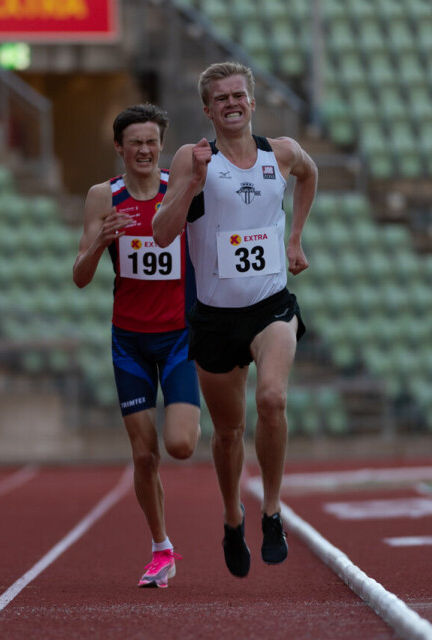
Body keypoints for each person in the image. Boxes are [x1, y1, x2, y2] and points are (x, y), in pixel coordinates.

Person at [153, 62, 317, 577]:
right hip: (215, 318)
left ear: (251, 101)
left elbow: (310, 174)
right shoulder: (192, 158)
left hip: (271, 306)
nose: (231, 103)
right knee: (228, 433)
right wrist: (192, 184)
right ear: (207, 109)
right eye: (220, 98)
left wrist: (294, 238)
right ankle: (232, 516)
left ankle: (272, 511)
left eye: (238, 95)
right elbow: (161, 233)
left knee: (271, 398)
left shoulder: (282, 153)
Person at [73, 103, 201, 588]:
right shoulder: (102, 196)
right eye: (135, 143)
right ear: (119, 148)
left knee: (181, 445)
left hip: (178, 339)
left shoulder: (182, 190)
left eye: (152, 141)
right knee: (145, 456)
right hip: (128, 342)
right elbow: (80, 278)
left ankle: (195, 407)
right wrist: (97, 242)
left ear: (161, 145)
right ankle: (160, 547)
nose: (144, 150)